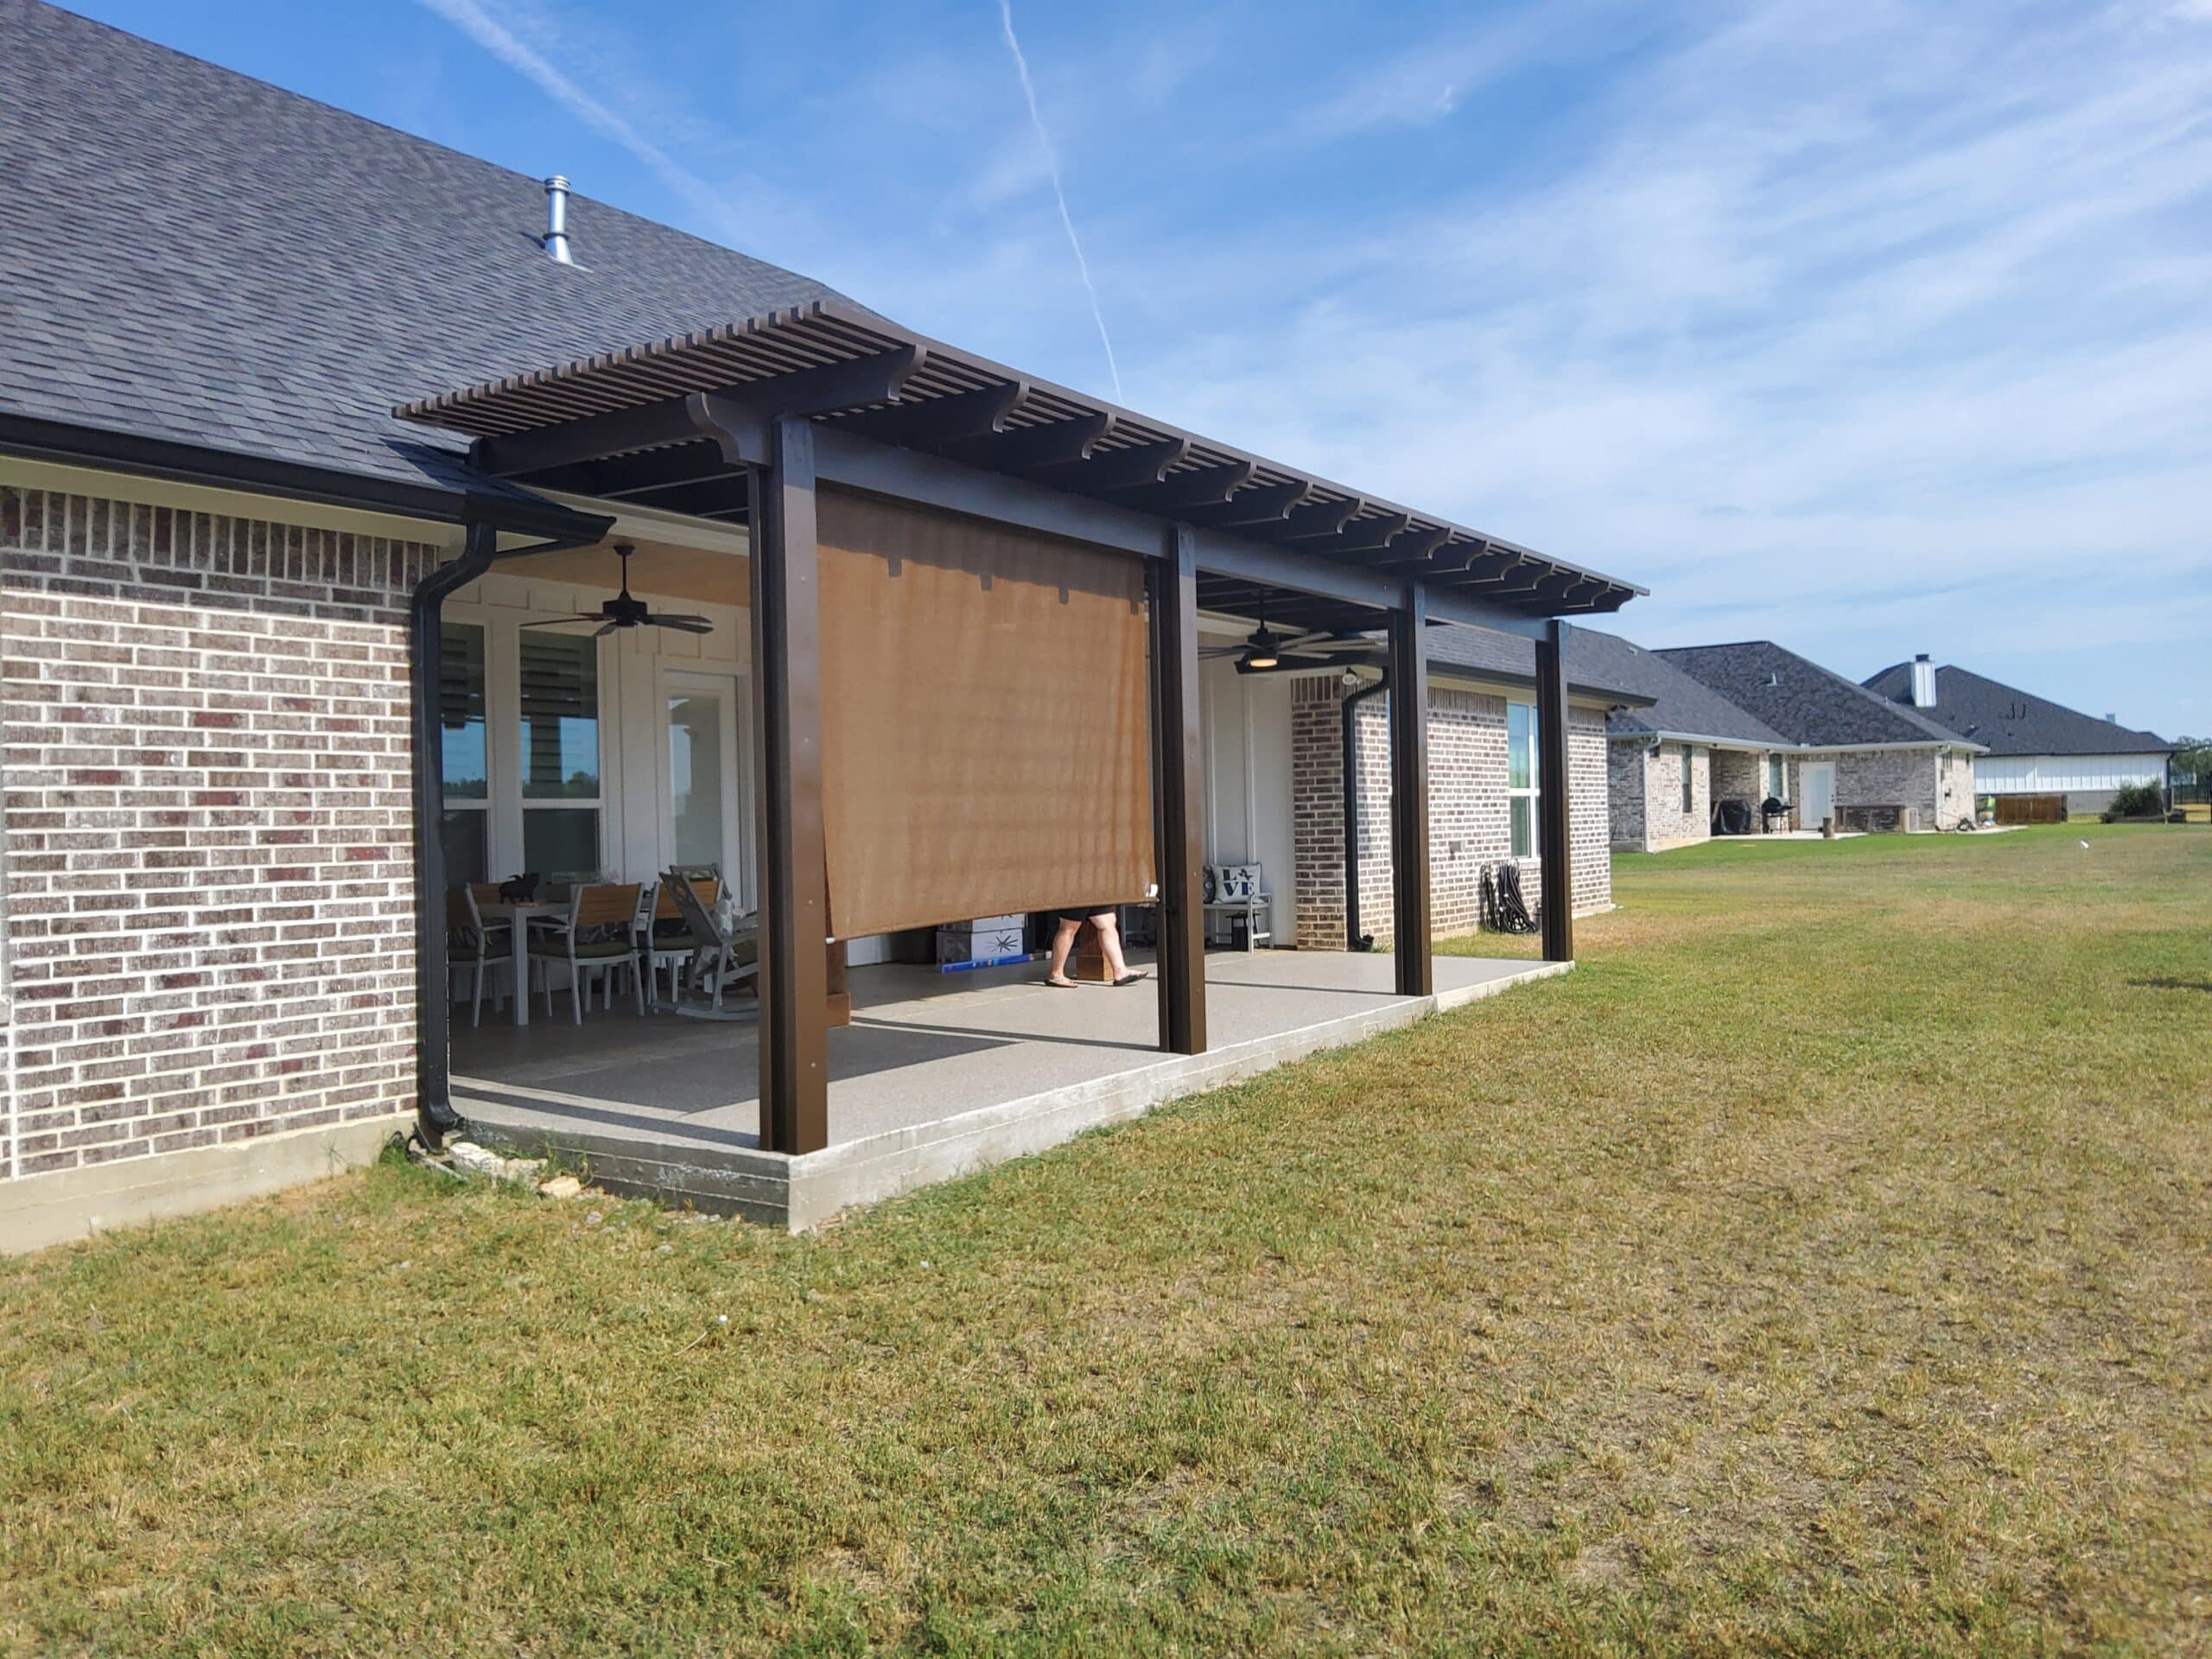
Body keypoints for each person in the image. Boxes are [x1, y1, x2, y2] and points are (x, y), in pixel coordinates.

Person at [1046, 906, 1147, 988]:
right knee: (1069, 926)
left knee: (1107, 922)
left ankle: (1120, 971)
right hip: (1077, 890)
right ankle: (1057, 974)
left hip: (1098, 891)